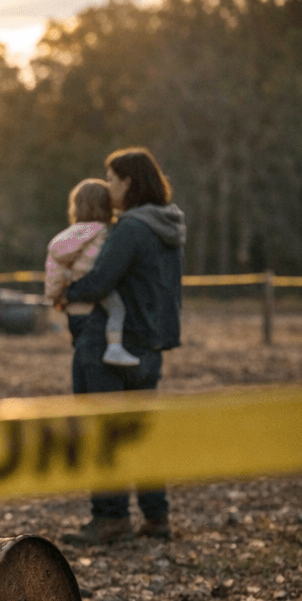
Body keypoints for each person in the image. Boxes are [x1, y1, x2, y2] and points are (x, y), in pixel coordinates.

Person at [61, 148, 186, 545]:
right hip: (149, 343)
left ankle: (111, 518)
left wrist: (67, 292)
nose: (109, 186)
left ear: (129, 182)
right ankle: (156, 515)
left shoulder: (131, 228)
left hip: (109, 345)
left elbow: (101, 280)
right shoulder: (168, 226)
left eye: (113, 178)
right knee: (141, 434)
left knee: (103, 433)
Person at [46, 179, 140, 365]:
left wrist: (57, 296)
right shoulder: (107, 232)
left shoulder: (65, 237)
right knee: (117, 311)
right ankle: (115, 348)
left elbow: (55, 271)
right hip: (95, 307)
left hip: (73, 311)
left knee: (82, 360)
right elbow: (106, 269)